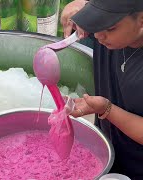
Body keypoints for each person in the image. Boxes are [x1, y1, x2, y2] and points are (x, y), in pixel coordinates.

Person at [61, 0, 143, 178]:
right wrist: (75, 9)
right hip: (106, 149)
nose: (98, 35)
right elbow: (81, 6)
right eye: (96, 22)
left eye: (110, 27)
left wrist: (106, 109)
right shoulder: (108, 34)